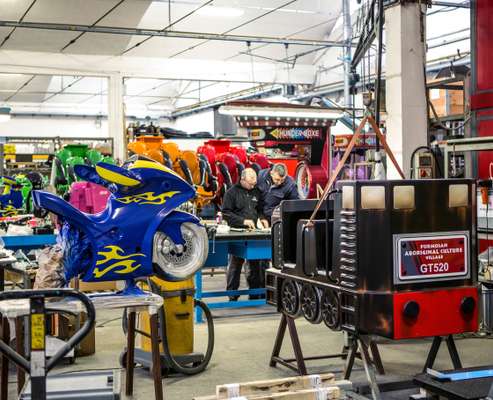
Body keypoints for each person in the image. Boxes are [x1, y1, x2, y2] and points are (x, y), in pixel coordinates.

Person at [221, 168, 269, 301]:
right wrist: (242, 221)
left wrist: (263, 218)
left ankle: (254, 293)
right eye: (250, 184)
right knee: (235, 264)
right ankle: (232, 294)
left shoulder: (256, 191)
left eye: (254, 184)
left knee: (255, 263)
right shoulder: (231, 193)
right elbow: (226, 213)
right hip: (236, 233)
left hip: (254, 233)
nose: (252, 186)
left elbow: (260, 209)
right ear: (242, 180)